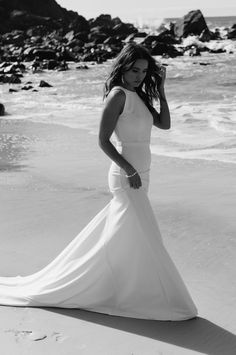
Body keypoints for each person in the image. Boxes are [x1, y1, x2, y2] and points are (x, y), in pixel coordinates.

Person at [0, 43, 197, 321]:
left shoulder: (138, 96)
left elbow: (164, 124)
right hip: (126, 174)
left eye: (143, 71)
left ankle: (118, 286)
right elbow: (103, 141)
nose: (139, 75)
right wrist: (129, 169)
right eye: (134, 69)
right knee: (147, 234)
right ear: (124, 67)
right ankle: (159, 297)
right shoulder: (118, 95)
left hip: (143, 173)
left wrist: (161, 90)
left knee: (127, 234)